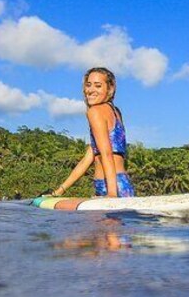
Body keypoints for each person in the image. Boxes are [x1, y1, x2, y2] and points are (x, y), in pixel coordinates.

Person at [51, 67, 135, 204]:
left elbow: (107, 153)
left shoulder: (95, 111)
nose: (90, 90)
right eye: (88, 85)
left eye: (98, 86)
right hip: (122, 183)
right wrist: (59, 191)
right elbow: (88, 158)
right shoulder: (115, 112)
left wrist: (112, 194)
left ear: (110, 89)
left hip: (110, 186)